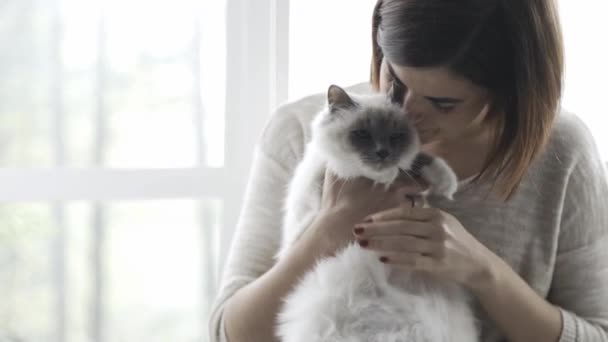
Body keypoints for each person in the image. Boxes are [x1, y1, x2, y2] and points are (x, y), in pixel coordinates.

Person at [209, 0, 608, 341]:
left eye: (443, 103)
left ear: (512, 92)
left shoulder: (561, 152)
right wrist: (329, 227)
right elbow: (229, 332)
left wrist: (482, 271)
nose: (407, 112)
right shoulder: (302, 131)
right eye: (395, 81)